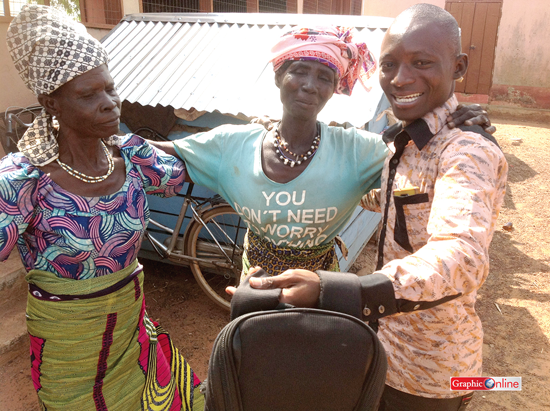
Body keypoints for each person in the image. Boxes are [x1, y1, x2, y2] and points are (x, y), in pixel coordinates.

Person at [238, 4, 508, 411]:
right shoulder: (410, 144)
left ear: (458, 66)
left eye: (421, 63)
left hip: (432, 370)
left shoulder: (464, 149)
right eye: (389, 65)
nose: (401, 79)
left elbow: (463, 255)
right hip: (383, 348)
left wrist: (343, 290)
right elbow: (392, 200)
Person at [152, 26, 492, 281]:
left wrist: (453, 123)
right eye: (299, 70)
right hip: (253, 288)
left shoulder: (357, 150)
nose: (311, 85)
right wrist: (106, 139)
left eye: (325, 77)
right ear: (279, 77)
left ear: (334, 89)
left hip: (322, 289)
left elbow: (419, 166)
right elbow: (161, 151)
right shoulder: (230, 144)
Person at [1, 5, 202, 410]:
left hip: (132, 328)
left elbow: (187, 172)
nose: (110, 103)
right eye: (89, 95)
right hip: (69, 349)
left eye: (110, 88)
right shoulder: (24, 181)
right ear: (51, 104)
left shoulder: (131, 156)